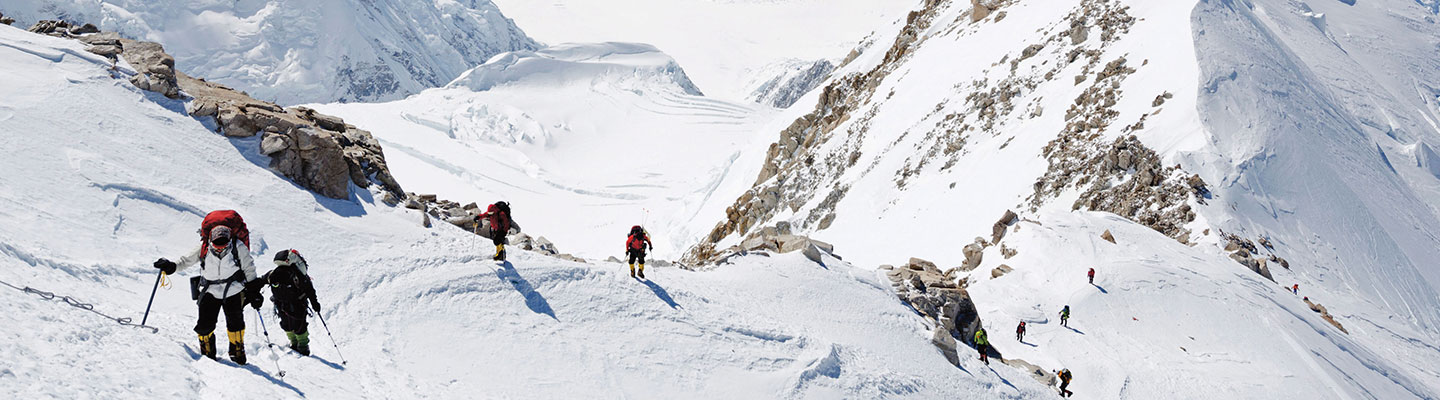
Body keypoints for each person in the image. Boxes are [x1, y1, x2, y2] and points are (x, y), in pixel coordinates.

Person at [154, 214, 259, 365]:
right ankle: (208, 354)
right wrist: (172, 266)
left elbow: (249, 268)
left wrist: (253, 289)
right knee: (204, 325)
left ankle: (237, 351)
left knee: (235, 323)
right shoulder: (204, 247)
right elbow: (186, 260)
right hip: (209, 290)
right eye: (217, 243)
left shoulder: (238, 246)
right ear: (211, 239)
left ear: (229, 238)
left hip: (233, 290)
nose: (220, 246)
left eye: (223, 243)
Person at [255, 250, 322, 355]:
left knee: (291, 325)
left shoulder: (273, 274)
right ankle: (300, 346)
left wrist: (252, 288)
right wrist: (315, 304)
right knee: (295, 326)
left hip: (285, 305)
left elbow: (261, 281)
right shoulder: (297, 274)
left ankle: (300, 346)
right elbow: (310, 290)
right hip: (293, 304)